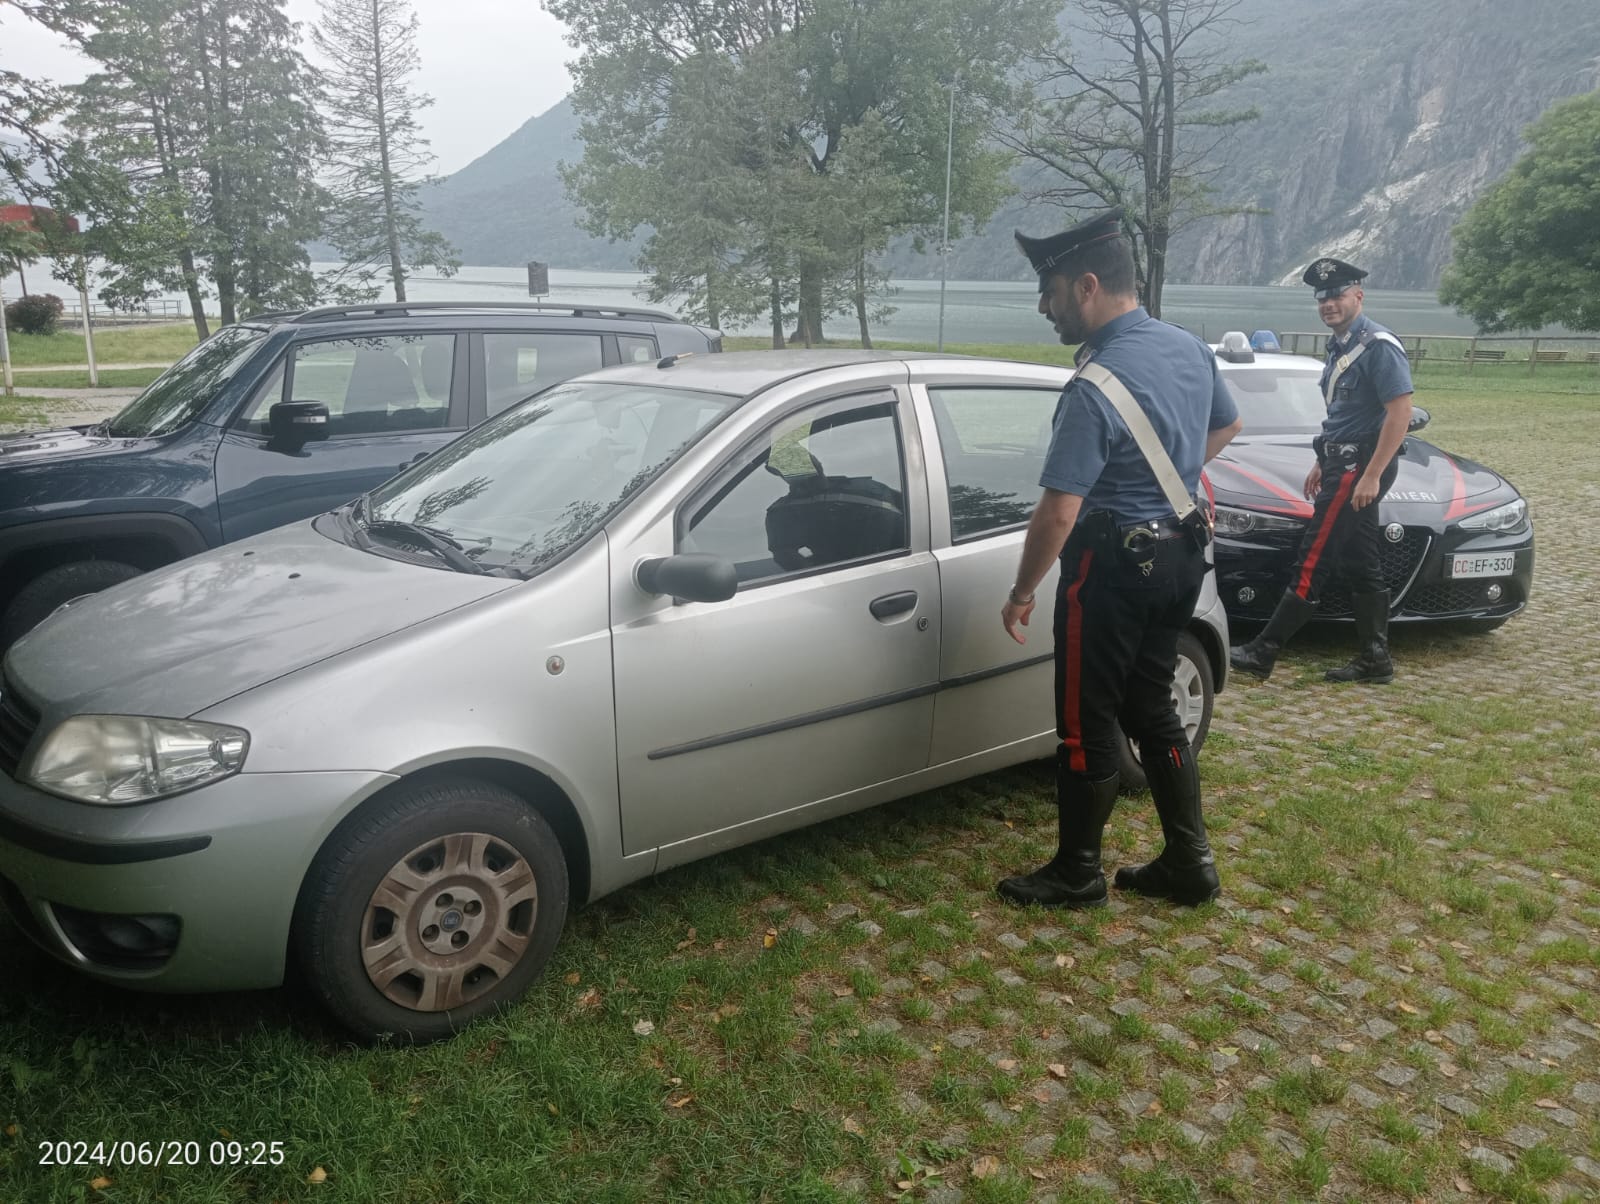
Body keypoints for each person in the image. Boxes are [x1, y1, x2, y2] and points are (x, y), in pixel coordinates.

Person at [998, 209, 1242, 910]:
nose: (1043, 307)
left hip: (1110, 573)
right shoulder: (1188, 347)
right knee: (1151, 706)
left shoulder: (1093, 386)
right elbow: (1228, 424)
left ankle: (1078, 872)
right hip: (1181, 558)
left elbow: (1059, 512)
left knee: (1086, 723)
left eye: (1050, 292)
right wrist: (1171, 488)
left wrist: (1021, 592)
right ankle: (1190, 863)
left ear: (1088, 286)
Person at [1229, 257, 1415, 685]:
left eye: (1337, 295)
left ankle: (1263, 650)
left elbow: (1400, 413)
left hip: (1356, 467)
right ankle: (1375, 658)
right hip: (1341, 462)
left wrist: (1371, 474)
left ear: (1358, 296)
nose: (1329, 304)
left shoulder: (1378, 346)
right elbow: (1344, 416)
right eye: (1322, 298)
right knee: (1361, 561)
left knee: (1313, 557)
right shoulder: (1341, 347)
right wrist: (1321, 458)